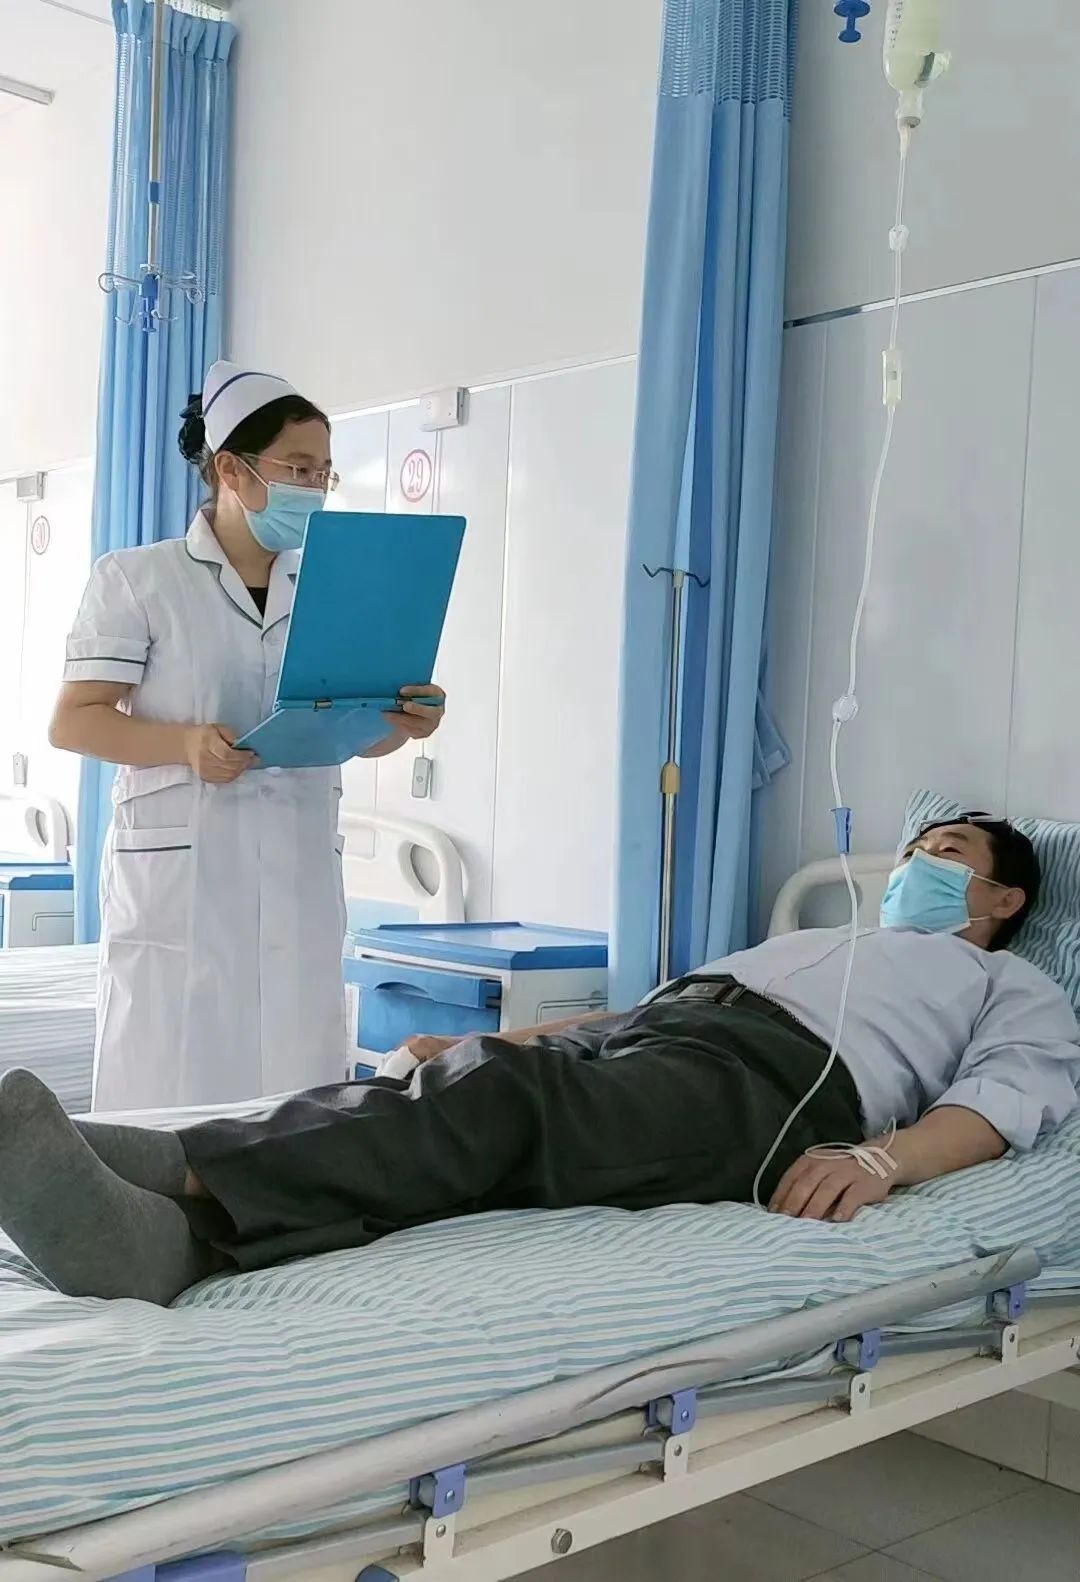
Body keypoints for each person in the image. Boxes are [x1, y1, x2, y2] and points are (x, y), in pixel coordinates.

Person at [1, 814, 1076, 1306]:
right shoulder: (817, 936)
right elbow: (632, 1018)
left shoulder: (1008, 984)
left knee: (505, 1102)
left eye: (946, 854)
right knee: (473, 1093)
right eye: (917, 849)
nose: (917, 865)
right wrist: (496, 1039)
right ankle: (173, 1238)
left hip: (771, 1087)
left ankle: (178, 1169)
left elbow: (1007, 1097)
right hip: (665, 1037)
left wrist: (885, 1161)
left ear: (1005, 898)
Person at [49, 362, 445, 1111]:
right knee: (169, 1081)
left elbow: (352, 732)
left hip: (296, 868)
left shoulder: (330, 586)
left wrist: (401, 724)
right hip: (182, 876)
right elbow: (74, 719)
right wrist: (185, 745)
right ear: (231, 469)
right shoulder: (138, 579)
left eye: (324, 472)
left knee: (296, 1089)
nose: (314, 487)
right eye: (298, 468)